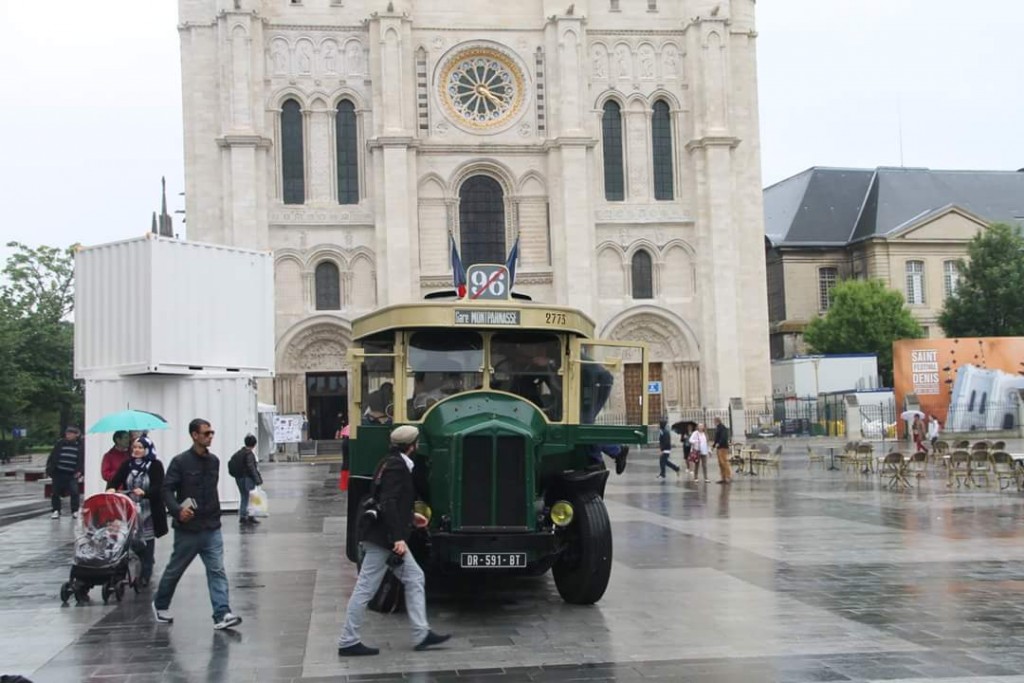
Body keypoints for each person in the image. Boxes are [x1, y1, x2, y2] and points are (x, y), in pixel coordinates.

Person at [338, 425, 450, 656]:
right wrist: (398, 537)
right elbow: (388, 502)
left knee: (415, 577)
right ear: (412, 446)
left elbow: (384, 500)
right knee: (365, 588)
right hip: (384, 539)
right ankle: (348, 640)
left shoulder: (386, 462)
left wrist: (410, 517)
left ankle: (422, 633)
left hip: (382, 535)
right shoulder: (398, 467)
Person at [152, 418, 242, 631]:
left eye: (212, 432)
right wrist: (177, 510)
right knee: (175, 569)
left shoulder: (214, 461)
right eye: (206, 433)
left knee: (217, 570)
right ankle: (160, 603)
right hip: (188, 529)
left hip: (211, 526)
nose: (210, 436)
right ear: (194, 435)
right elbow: (166, 489)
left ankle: (222, 613)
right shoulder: (180, 462)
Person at [106, 437, 167, 587]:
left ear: (147, 449)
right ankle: (123, 571)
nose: (137, 450)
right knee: (127, 540)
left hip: (148, 510)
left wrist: (145, 493)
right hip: (129, 508)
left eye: (140, 447)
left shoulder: (155, 465)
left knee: (147, 540)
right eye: (135, 447)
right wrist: (112, 488)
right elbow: (116, 479)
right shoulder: (128, 464)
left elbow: (158, 486)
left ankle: (146, 574)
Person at [579, 357, 628, 474]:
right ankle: (597, 460)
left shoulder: (571, 354)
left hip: (597, 384)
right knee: (584, 426)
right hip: (591, 385)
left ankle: (616, 451)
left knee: (583, 427)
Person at [47, 426, 84, 519]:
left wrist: (80, 471)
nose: (68, 435)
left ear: (76, 435)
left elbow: (82, 460)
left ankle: (75, 510)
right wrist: (49, 469)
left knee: (74, 492)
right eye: (67, 433)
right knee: (55, 492)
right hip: (59, 472)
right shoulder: (60, 443)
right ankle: (56, 510)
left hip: (72, 473)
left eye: (71, 433)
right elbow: (52, 456)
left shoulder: (80, 446)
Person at [230, 434, 263, 525]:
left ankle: (243, 515)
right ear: (254, 444)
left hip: (239, 478)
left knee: (244, 496)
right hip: (247, 479)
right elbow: (251, 468)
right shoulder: (249, 454)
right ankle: (248, 516)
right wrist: (258, 480)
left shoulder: (239, 453)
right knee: (250, 498)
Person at [711, 418, 731, 484]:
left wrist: (719, 443)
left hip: (723, 447)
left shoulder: (722, 427)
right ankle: (723, 477)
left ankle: (728, 476)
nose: (714, 422)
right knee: (720, 463)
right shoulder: (718, 428)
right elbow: (716, 438)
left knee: (724, 462)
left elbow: (723, 437)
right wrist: (713, 446)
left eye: (714, 421)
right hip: (719, 448)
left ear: (717, 421)